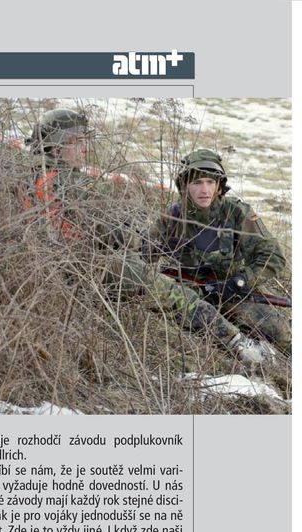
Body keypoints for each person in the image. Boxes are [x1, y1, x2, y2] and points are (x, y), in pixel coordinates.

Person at [22, 110, 272, 366]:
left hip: (54, 267)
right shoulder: (74, 183)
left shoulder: (29, 176)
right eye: (76, 142)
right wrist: (134, 232)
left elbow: (271, 257)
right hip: (91, 265)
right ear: (54, 146)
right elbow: (117, 235)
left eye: (85, 141)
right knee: (180, 298)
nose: (85, 149)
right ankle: (239, 345)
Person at [147, 148, 290, 357]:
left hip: (233, 293)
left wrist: (240, 282)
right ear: (184, 186)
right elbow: (142, 254)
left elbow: (273, 257)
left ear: (219, 186)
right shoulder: (173, 217)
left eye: (210, 182)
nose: (204, 190)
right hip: (189, 295)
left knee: (280, 332)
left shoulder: (237, 213)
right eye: (196, 183)